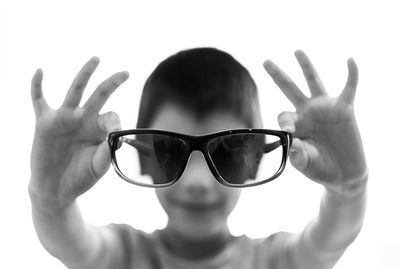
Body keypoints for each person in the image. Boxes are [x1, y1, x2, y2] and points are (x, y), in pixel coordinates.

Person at [29, 47, 368, 269]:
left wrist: (350, 189)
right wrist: (49, 202)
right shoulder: (124, 255)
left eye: (228, 152)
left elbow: (329, 238)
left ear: (254, 162)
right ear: (144, 159)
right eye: (169, 151)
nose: (196, 182)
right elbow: (72, 242)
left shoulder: (273, 261)